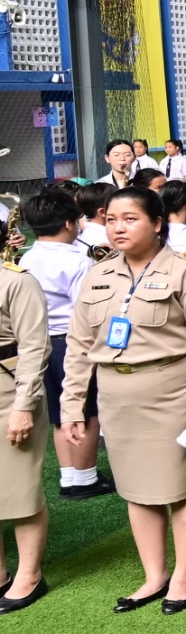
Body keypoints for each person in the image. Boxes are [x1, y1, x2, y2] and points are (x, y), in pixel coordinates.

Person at [60, 187, 186, 614]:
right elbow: (78, 347)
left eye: (130, 219)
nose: (118, 228)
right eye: (112, 219)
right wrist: (72, 404)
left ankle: (183, 576)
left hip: (172, 393)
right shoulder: (97, 274)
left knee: (180, 486)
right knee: (136, 488)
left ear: (157, 223)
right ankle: (154, 575)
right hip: (115, 396)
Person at [20, 191, 109, 501]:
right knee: (86, 409)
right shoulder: (77, 261)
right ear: (69, 223)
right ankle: (85, 477)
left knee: (60, 411)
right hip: (72, 343)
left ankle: (69, 474)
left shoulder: (27, 257)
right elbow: (87, 312)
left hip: (40, 343)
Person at [0, 252, 53, 612]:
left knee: (20, 486)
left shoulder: (17, 281)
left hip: (9, 389)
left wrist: (24, 405)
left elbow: (34, 346)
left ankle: (29, 574)